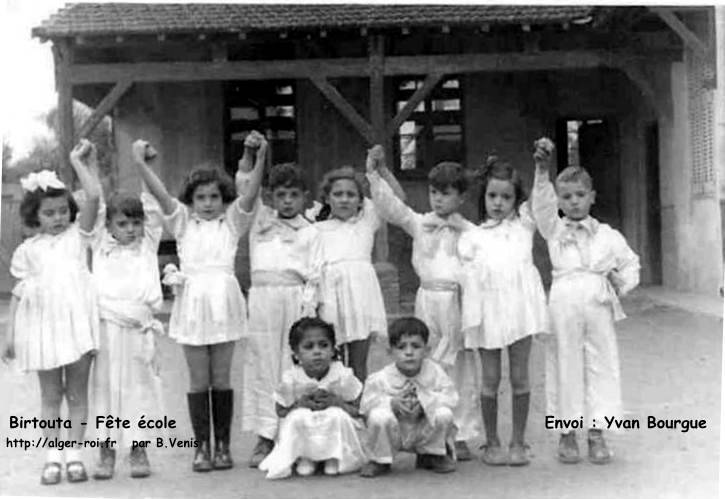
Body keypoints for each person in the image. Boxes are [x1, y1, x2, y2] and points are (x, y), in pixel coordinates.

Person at [132, 135, 265, 471]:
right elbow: (161, 194)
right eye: (200, 197)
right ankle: (201, 447)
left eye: (214, 197)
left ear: (224, 199)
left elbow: (250, 195)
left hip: (224, 302)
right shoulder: (182, 222)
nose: (207, 203)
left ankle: (222, 446)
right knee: (198, 380)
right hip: (192, 303)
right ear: (190, 200)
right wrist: (140, 163)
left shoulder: (233, 223)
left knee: (221, 378)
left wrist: (260, 156)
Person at [366, 145, 482, 460]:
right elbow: (392, 208)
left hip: (456, 300)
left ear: (461, 197)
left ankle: (460, 432)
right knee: (423, 362)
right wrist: (375, 174)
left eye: (445, 193)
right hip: (427, 297)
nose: (438, 199)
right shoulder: (420, 223)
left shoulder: (472, 232)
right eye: (433, 192)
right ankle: (429, 431)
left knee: (458, 366)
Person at [530, 137, 640, 464]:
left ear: (592, 197)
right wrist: (541, 169)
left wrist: (622, 283)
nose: (574, 202)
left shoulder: (608, 235)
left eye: (580, 195)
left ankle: (597, 433)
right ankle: (567, 432)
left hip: (598, 304)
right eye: (567, 197)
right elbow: (541, 204)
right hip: (563, 301)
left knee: (601, 364)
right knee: (564, 362)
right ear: (559, 202)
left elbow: (631, 263)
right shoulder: (553, 229)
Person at [1, 140, 102, 485]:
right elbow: (18, 295)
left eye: (62, 210)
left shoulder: (79, 238)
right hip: (42, 329)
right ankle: (52, 457)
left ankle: (74, 455)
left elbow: (95, 197)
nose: (58, 218)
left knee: (77, 394)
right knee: (50, 396)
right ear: (35, 215)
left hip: (76, 326)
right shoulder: (28, 251)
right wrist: (10, 333)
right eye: (49, 212)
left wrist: (78, 163)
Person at [457, 155, 548, 466]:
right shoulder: (473, 236)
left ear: (516, 200)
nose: (498, 202)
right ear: (483, 197)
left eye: (506, 196)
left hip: (520, 309)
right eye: (492, 196)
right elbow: (466, 278)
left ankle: (518, 442)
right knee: (490, 379)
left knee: (521, 377)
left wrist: (541, 168)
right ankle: (492, 441)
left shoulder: (524, 225)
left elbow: (542, 199)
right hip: (488, 312)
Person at [240, 151, 322, 468]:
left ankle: (292, 436)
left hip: (294, 298)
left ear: (304, 197)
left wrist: (309, 310)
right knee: (263, 365)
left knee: (292, 366)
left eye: (293, 195)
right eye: (280, 194)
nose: (287, 201)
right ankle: (264, 435)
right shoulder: (259, 220)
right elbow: (245, 181)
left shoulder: (310, 231)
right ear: (270, 196)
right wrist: (251, 154)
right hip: (262, 300)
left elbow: (315, 273)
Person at [88, 177, 167, 479]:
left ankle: (138, 448)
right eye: (122, 223)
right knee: (106, 388)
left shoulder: (146, 246)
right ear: (108, 225)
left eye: (135, 222)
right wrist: (91, 164)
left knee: (139, 389)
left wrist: (143, 165)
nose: (130, 229)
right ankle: (106, 451)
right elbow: (95, 207)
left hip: (137, 330)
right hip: (107, 327)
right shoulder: (99, 245)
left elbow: (155, 209)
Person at [258, 317, 366, 479]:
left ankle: (333, 456)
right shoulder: (291, 378)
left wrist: (336, 402)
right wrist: (300, 404)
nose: (317, 352)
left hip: (334, 425)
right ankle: (305, 457)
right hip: (306, 425)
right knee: (298, 417)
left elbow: (360, 410)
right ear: (296, 352)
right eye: (309, 347)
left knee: (336, 415)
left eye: (323, 345)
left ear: (333, 349)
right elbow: (281, 411)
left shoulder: (342, 375)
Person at [311, 163, 388, 381]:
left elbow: (394, 199)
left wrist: (377, 172)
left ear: (361, 200)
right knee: (332, 359)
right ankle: (335, 409)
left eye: (351, 195)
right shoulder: (317, 229)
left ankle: (358, 409)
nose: (344, 199)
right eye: (338, 194)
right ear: (327, 198)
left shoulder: (366, 222)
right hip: (331, 297)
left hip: (361, 297)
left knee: (358, 362)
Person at [359, 317, 458, 477]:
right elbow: (366, 406)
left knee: (444, 414)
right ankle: (380, 459)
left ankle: (431, 454)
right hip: (395, 429)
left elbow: (452, 398)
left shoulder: (435, 372)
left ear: (427, 350)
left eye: (416, 346)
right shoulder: (381, 378)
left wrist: (426, 402)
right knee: (378, 416)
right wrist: (392, 403)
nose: (409, 352)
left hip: (423, 428)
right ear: (390, 352)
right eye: (401, 347)